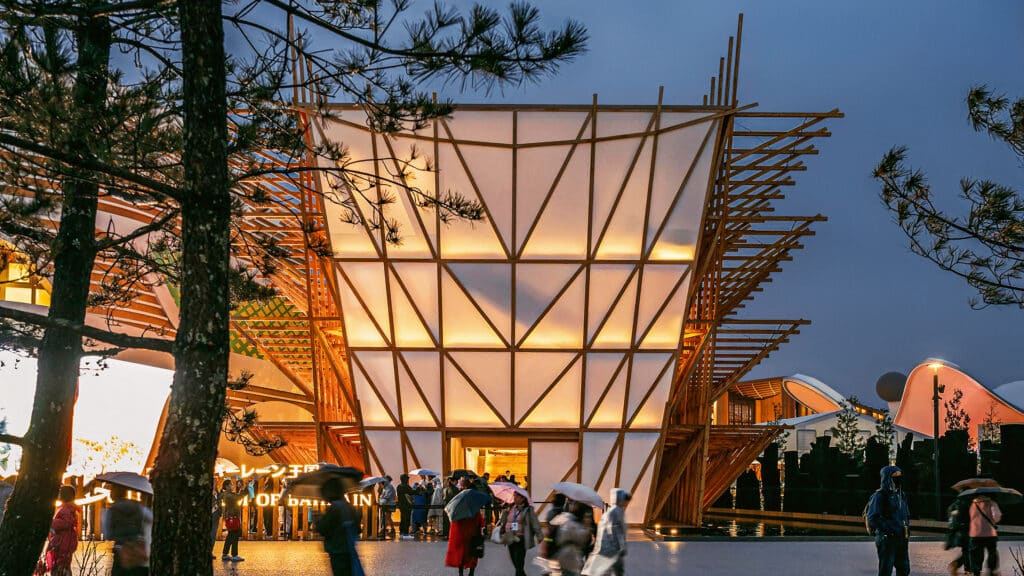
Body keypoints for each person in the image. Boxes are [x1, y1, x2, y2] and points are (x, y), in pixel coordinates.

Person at [867, 465, 910, 576]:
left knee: (904, 570)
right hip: (887, 539)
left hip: (901, 538)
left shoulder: (901, 495)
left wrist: (906, 528)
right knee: (886, 570)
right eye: (895, 476)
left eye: (900, 475)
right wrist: (890, 529)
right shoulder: (880, 495)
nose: (899, 478)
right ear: (887, 477)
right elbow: (872, 518)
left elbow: (905, 515)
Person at [317, 476, 365, 576]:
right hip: (349, 549)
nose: (324, 495)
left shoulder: (334, 507)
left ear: (332, 491)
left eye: (325, 492)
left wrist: (318, 518)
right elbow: (358, 529)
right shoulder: (349, 506)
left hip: (337, 550)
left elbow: (322, 528)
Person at [582, 489, 630, 576]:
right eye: (625, 500)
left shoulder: (614, 510)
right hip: (612, 549)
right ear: (620, 499)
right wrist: (621, 546)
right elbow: (614, 530)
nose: (626, 502)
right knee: (612, 570)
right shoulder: (616, 511)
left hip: (608, 548)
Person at [105, 489, 153, 576]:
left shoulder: (112, 510)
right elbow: (150, 518)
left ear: (112, 495)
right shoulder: (137, 506)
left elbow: (107, 533)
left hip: (121, 552)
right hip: (137, 551)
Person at [497, 491, 542, 576]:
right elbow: (503, 521)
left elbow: (535, 523)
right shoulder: (511, 508)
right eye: (514, 496)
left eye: (517, 496)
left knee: (519, 563)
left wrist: (539, 536)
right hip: (510, 538)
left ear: (523, 498)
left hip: (521, 539)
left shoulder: (528, 510)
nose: (514, 498)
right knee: (515, 563)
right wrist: (505, 512)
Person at [445, 479, 483, 576]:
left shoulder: (459, 498)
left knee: (462, 552)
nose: (459, 487)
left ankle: (461, 573)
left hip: (462, 530)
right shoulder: (473, 498)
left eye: (460, 485)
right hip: (470, 530)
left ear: (464, 487)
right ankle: (470, 573)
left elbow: (453, 514)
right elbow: (478, 515)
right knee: (471, 552)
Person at [44, 485, 79, 576]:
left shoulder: (65, 509)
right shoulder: (69, 509)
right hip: (65, 541)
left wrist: (51, 522)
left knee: (60, 564)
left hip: (62, 542)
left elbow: (65, 522)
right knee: (63, 564)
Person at [551, 501, 591, 576]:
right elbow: (582, 540)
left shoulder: (563, 517)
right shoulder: (576, 524)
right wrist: (587, 527)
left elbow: (551, 528)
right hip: (571, 556)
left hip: (559, 553)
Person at [968, 494, 1002, 576]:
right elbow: (996, 517)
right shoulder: (992, 503)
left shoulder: (973, 503)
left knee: (976, 553)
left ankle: (976, 572)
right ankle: (991, 570)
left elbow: (970, 517)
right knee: (992, 552)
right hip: (990, 533)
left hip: (975, 533)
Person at [539, 493, 567, 576]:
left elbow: (549, 531)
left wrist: (545, 543)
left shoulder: (551, 513)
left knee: (552, 567)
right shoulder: (565, 513)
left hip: (551, 542)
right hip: (561, 542)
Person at [219, 478, 246, 562]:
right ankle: (234, 555)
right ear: (226, 486)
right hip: (232, 517)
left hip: (231, 517)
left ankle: (225, 554)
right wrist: (242, 489)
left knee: (230, 535)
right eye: (231, 484)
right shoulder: (228, 495)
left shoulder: (227, 494)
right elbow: (238, 497)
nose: (232, 486)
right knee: (234, 535)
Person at [397, 474, 415, 539]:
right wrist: (419, 489)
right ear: (404, 479)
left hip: (401, 505)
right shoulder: (406, 487)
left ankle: (401, 532)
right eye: (407, 479)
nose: (408, 480)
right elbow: (413, 492)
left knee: (402, 518)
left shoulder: (399, 486)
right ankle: (405, 533)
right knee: (406, 519)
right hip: (407, 505)